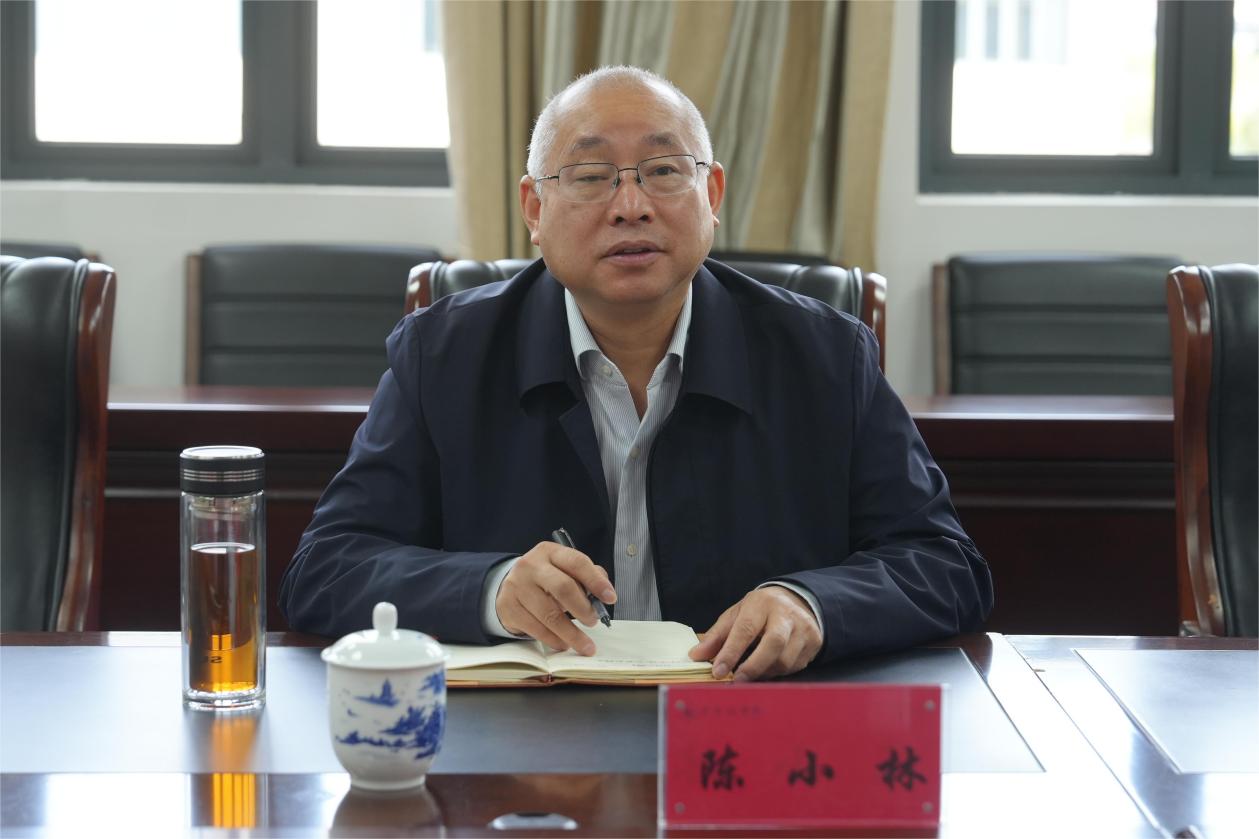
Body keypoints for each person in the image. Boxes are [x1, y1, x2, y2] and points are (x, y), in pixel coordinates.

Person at [279, 66, 993, 680]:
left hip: (745, 731)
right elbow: (327, 568)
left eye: (663, 171)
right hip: (526, 739)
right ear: (534, 209)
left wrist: (812, 604)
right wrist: (491, 589)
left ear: (712, 194)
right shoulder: (443, 356)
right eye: (590, 177)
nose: (630, 206)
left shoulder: (825, 356)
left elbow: (944, 565)